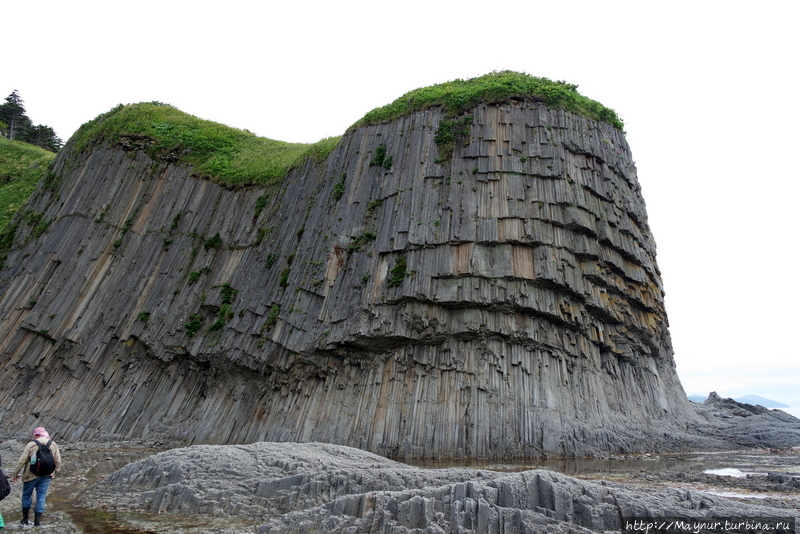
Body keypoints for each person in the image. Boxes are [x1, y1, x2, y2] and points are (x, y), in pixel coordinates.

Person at [11, 427, 61, 527]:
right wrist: (54, 473)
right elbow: (58, 461)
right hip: (46, 475)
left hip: (30, 475)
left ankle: (25, 520)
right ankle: (37, 523)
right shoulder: (53, 444)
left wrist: (15, 475)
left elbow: (22, 461)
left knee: (26, 496)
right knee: (41, 497)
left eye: (34, 435)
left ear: (37, 435)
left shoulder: (31, 444)